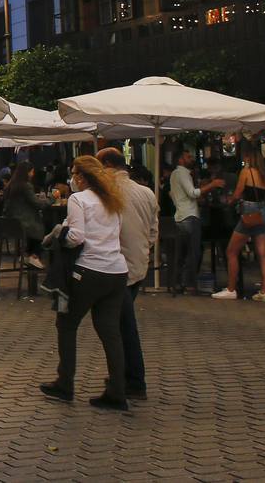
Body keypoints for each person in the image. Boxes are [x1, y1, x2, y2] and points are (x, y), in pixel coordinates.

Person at [39, 156, 131, 412]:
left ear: (80, 176)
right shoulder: (113, 200)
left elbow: (77, 237)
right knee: (110, 332)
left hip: (89, 270)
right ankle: (117, 390)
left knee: (66, 324)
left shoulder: (79, 200)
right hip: (116, 271)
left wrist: (61, 238)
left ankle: (65, 382)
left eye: (73, 174)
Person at [99, 148, 156, 401]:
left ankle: (133, 380)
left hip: (116, 266)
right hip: (139, 264)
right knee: (121, 321)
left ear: (109, 165)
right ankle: (125, 376)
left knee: (122, 325)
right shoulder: (147, 193)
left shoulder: (108, 193)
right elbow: (153, 232)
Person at [212, 144, 265, 301]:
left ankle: (231, 288)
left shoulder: (247, 172)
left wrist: (230, 200)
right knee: (263, 253)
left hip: (249, 213)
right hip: (263, 213)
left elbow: (238, 193)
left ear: (248, 157)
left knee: (231, 251)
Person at [169, 150, 224, 293]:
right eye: (188, 156)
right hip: (190, 216)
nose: (191, 158)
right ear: (181, 160)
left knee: (181, 254)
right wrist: (213, 184)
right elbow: (192, 193)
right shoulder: (182, 173)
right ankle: (189, 284)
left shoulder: (175, 174)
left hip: (180, 216)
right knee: (193, 253)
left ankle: (178, 283)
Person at [2, 162, 46, 270]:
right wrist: (52, 199)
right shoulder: (26, 185)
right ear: (28, 172)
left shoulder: (10, 185)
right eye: (32, 171)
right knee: (40, 225)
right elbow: (37, 204)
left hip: (10, 223)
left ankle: (27, 254)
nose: (33, 174)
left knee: (34, 224)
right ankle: (34, 255)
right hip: (23, 223)